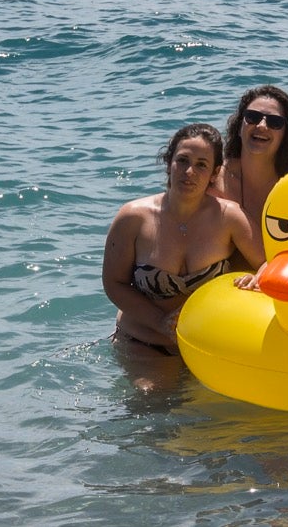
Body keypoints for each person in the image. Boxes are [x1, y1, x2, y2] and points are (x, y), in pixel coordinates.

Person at [103, 123, 263, 388]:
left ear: (214, 173)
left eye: (201, 165)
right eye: (182, 160)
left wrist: (256, 278)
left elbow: (267, 262)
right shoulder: (133, 217)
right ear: (169, 164)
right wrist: (161, 322)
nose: (189, 172)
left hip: (206, 347)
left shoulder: (229, 217)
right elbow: (114, 284)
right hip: (145, 343)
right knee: (150, 402)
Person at [213, 85, 288, 245]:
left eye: (275, 122)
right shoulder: (214, 179)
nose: (261, 126)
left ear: (286, 134)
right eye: (252, 117)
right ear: (239, 126)